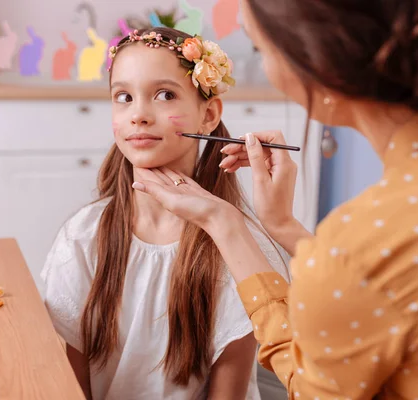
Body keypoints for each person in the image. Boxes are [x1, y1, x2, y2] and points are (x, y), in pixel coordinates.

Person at [132, 1, 418, 399]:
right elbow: (399, 292)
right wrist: (284, 226)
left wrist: (225, 223)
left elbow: (314, 384)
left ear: (320, 65)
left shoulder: (360, 254)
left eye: (261, 50)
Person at [41, 27, 288, 400]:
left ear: (208, 116)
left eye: (165, 95)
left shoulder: (242, 251)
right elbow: (72, 384)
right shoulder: (82, 236)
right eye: (123, 96)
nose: (138, 114)